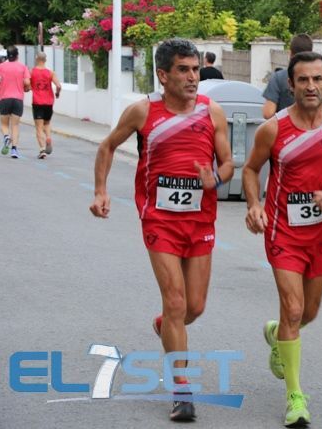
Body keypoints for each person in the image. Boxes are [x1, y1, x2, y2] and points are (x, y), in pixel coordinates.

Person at [89, 38, 233, 422]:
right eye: (183, 70)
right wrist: (101, 191)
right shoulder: (143, 112)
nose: (192, 77)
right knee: (176, 302)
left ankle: (164, 326)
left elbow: (228, 163)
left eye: (195, 69)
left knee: (194, 307)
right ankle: (181, 389)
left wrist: (215, 178)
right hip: (159, 219)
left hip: (200, 220)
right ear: (163, 75)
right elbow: (107, 147)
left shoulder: (212, 111)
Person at [243, 51, 322, 427]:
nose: (311, 86)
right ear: (291, 84)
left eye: (317, 79)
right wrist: (254, 204)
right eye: (303, 80)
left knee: (308, 312)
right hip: (283, 231)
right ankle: (295, 396)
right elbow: (250, 169)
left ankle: (277, 334)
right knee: (294, 309)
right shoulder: (274, 129)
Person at [262, 33, 322, 120]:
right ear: (311, 52)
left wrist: (285, 126)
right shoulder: (320, 78)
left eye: (315, 79)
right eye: (302, 80)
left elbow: (268, 113)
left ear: (290, 54)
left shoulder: (278, 77)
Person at [0, 46, 31, 158]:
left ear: (7, 56)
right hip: (18, 99)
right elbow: (27, 82)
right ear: (17, 55)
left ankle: (6, 137)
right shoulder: (23, 67)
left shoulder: (1, 67)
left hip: (4, 98)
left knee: (4, 124)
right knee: (15, 125)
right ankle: (14, 150)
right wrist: (25, 88)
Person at [30, 52, 62, 159]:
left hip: (37, 102)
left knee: (39, 127)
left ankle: (42, 150)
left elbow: (27, 84)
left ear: (36, 59)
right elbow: (58, 86)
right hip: (49, 103)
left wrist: (27, 88)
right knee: (47, 123)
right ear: (45, 60)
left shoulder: (32, 72)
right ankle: (48, 137)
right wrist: (57, 93)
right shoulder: (50, 73)